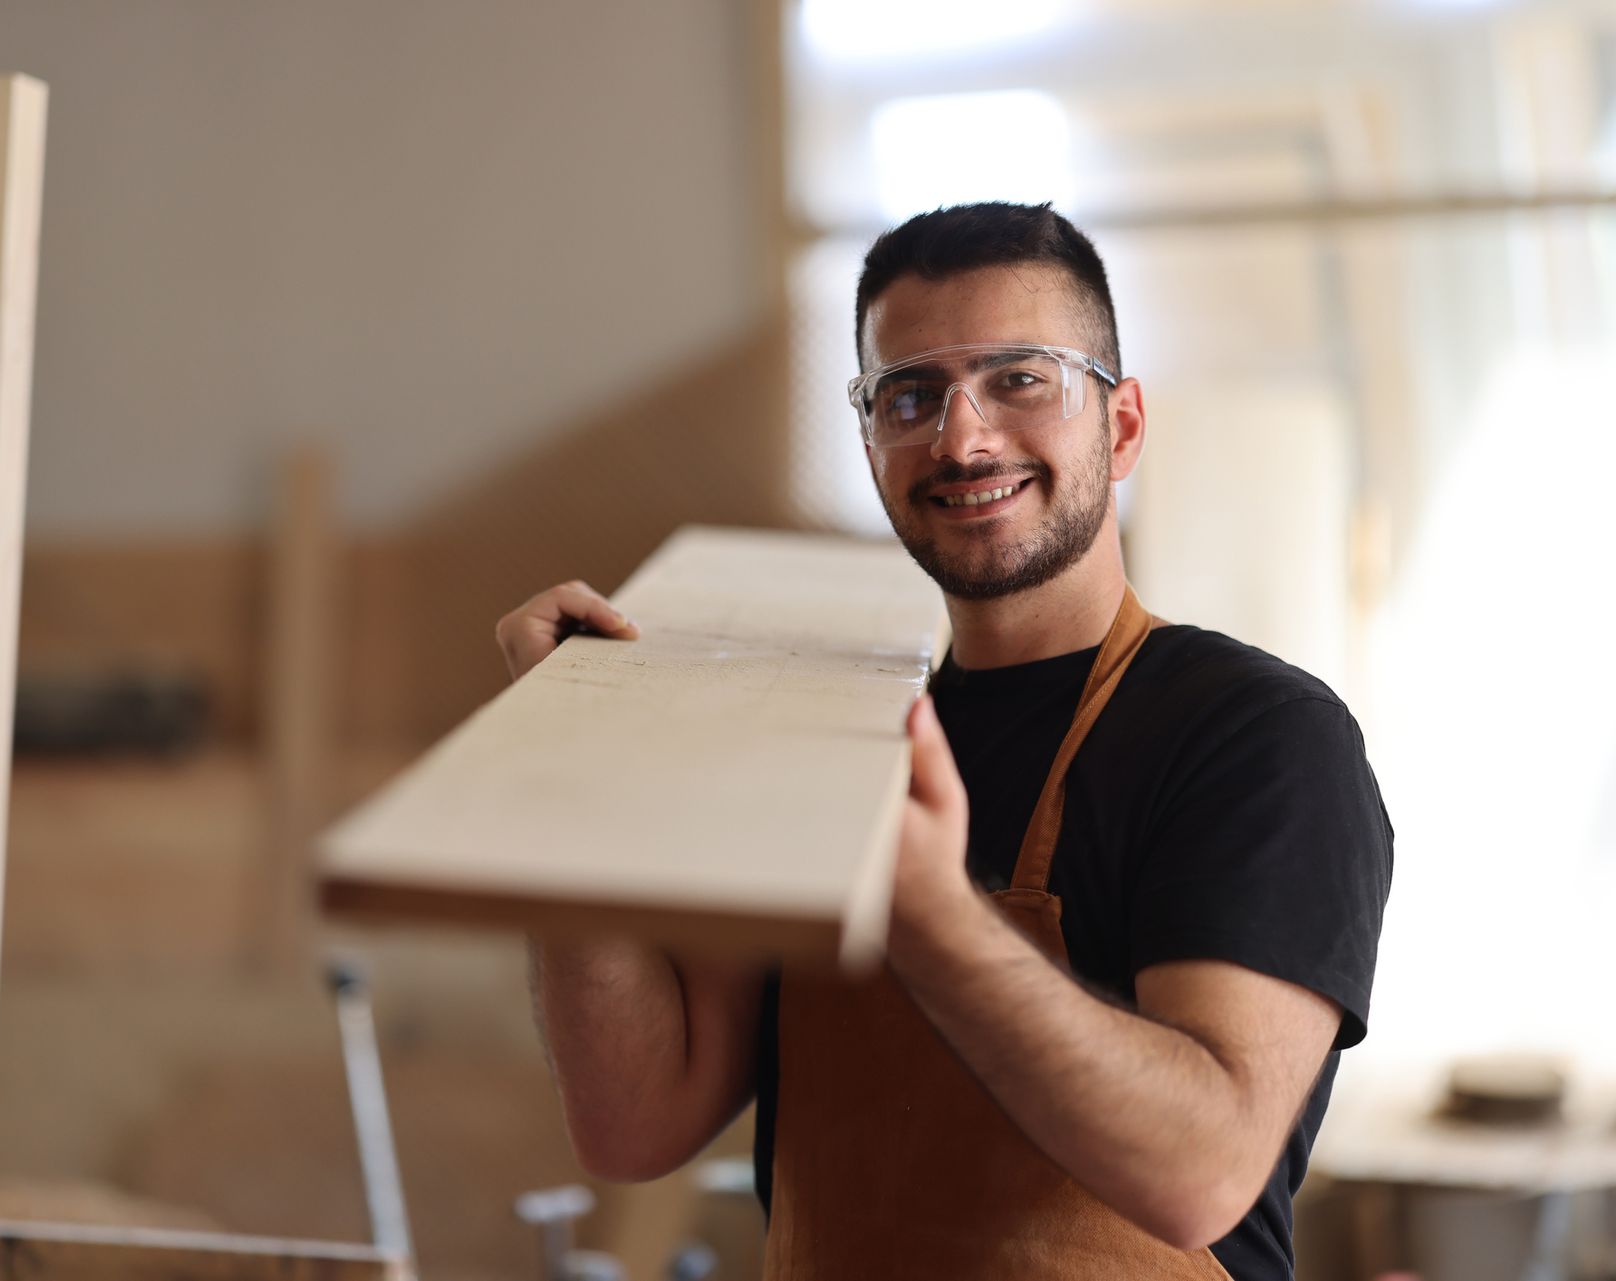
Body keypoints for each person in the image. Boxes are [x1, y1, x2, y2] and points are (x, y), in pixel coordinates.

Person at [495, 202, 1391, 1280]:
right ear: (871, 443)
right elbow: (634, 1121)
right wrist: (565, 761)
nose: (962, 439)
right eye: (910, 395)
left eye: (1021, 379)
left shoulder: (1255, 738)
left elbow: (1198, 1172)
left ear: (1126, 426)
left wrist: (925, 914)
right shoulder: (826, 733)